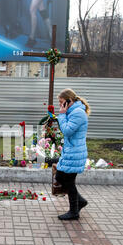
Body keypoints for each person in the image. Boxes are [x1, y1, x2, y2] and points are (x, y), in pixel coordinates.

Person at [55, 88, 90, 220]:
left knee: (68, 180)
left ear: (69, 101)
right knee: (61, 177)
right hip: (71, 151)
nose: (60, 105)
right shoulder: (73, 112)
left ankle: (74, 211)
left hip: (75, 153)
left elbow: (67, 131)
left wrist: (62, 115)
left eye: (61, 102)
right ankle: (79, 202)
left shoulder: (77, 113)